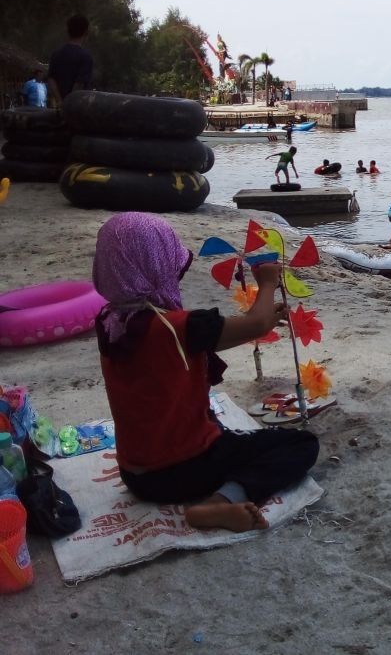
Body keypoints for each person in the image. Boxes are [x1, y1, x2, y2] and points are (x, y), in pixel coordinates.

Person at [92, 213, 319, 533]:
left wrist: (264, 314)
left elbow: (234, 329)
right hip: (186, 467)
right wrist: (268, 282)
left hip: (137, 475)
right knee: (301, 444)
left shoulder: (111, 322)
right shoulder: (179, 327)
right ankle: (221, 503)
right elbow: (253, 326)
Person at [47, 14, 93, 104]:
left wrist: (60, 101)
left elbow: (51, 79)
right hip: (77, 109)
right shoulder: (85, 57)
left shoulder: (56, 54)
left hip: (58, 108)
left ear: (68, 31)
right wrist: (68, 104)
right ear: (86, 32)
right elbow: (79, 84)